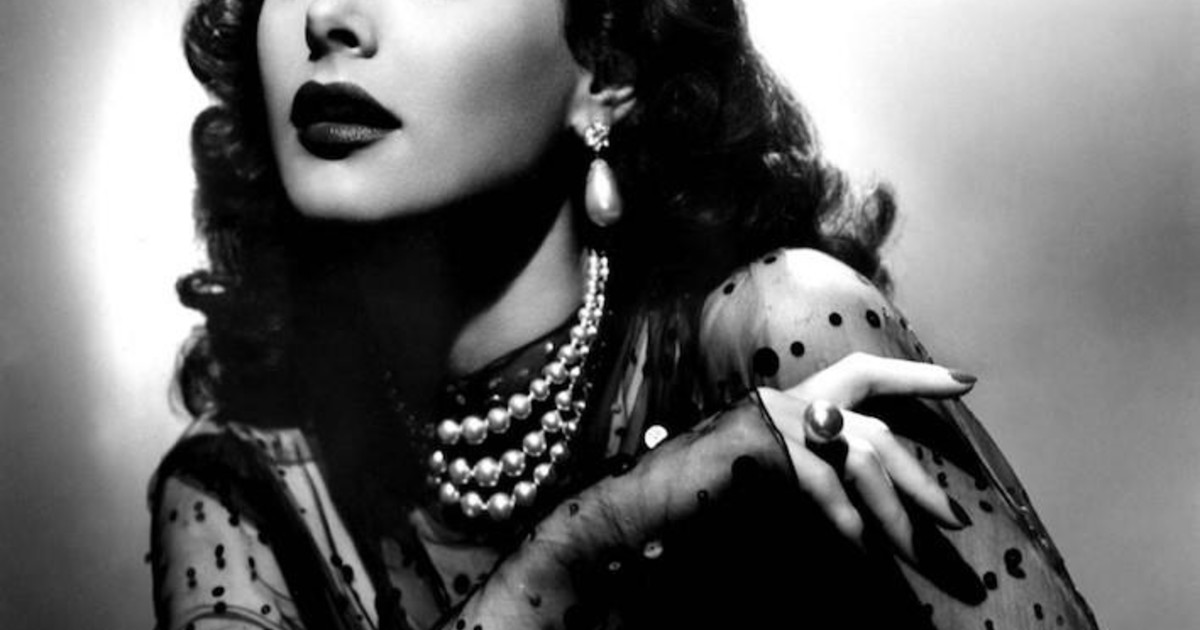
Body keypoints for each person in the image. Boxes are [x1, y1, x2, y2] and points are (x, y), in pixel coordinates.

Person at [148, 0, 1099, 628]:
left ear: (607, 65)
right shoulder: (246, 483)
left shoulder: (785, 337)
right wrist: (583, 543)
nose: (327, 17)